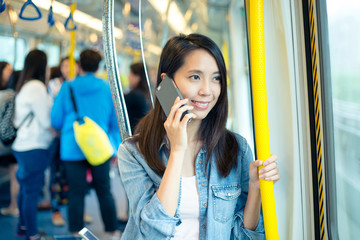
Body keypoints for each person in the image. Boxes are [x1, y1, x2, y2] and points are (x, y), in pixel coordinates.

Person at [117, 33, 280, 240]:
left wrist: (256, 190)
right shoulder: (134, 152)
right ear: (168, 83)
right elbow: (152, 233)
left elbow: (243, 237)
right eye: (195, 77)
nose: (207, 91)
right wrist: (177, 150)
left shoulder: (236, 148)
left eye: (216, 78)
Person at [51, 49, 121, 238]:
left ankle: (76, 232)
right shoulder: (108, 88)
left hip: (72, 147)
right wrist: (114, 148)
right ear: (98, 67)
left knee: (76, 192)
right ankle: (113, 232)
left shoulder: (68, 87)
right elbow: (116, 122)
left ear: (79, 65)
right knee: (104, 191)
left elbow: (55, 120)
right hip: (100, 148)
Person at [12, 50, 54, 240]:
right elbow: (46, 121)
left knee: (25, 189)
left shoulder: (24, 85)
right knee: (31, 191)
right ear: (42, 66)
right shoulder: (37, 87)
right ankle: (33, 234)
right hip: (34, 147)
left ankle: (23, 227)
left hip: (22, 145)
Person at [0, 61, 19, 217]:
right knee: (14, 173)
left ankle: (14, 206)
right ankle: (14, 206)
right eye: (8, 70)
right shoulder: (12, 95)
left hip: (5, 142)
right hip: (8, 142)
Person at [124, 62, 151, 132]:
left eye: (130, 74)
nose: (128, 77)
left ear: (137, 77)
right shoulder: (145, 93)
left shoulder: (135, 95)